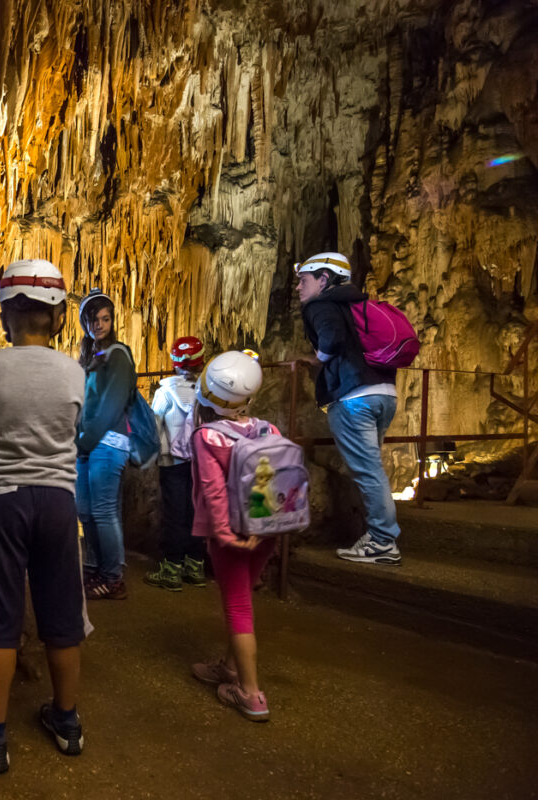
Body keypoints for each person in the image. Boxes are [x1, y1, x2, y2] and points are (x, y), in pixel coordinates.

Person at [0, 259, 89, 775]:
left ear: (6, 314)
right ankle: (68, 722)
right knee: (62, 612)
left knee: (0, 613)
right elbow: (76, 429)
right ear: (58, 318)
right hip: (58, 500)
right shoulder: (76, 371)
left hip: (5, 499)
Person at [296, 252, 401, 566]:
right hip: (385, 394)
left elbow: (331, 338)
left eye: (304, 280)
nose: (299, 288)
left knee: (369, 472)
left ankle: (383, 541)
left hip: (355, 396)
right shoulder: (357, 303)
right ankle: (375, 535)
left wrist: (317, 359)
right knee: (373, 470)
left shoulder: (321, 305)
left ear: (324, 279)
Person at [188, 349, 275, 722]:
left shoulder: (207, 436)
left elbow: (214, 490)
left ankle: (250, 693)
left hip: (234, 535)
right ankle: (229, 665)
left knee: (237, 606)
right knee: (244, 597)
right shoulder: (268, 429)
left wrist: (225, 534)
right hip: (266, 528)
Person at [75, 289, 136, 600]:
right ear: (85, 322)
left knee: (103, 511)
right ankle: (96, 568)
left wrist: (85, 438)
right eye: (94, 319)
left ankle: (113, 578)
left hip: (109, 442)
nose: (100, 324)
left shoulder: (119, 354)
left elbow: (113, 403)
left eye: (105, 318)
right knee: (85, 511)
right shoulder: (89, 356)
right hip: (85, 445)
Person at [145, 336, 208, 592]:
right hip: (201, 460)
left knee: (174, 513)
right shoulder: (208, 390)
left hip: (172, 461)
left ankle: (172, 567)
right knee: (196, 511)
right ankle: (195, 566)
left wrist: (153, 455)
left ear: (175, 362)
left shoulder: (164, 391)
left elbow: (155, 424)